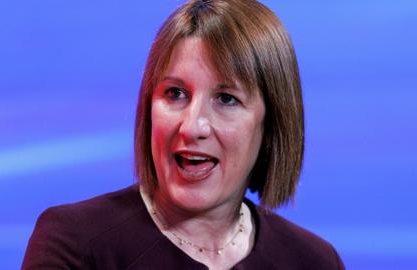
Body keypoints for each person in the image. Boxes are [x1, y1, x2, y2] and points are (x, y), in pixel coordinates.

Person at [22, 0, 345, 269]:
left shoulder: (315, 261)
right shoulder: (75, 243)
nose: (192, 126)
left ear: (271, 123)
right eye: (175, 93)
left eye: (227, 99)